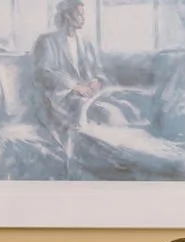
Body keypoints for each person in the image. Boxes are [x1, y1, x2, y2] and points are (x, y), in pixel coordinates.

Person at [32, 0, 140, 144]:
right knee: (108, 113)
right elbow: (44, 72)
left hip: (89, 94)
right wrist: (75, 86)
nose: (83, 18)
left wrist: (96, 81)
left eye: (84, 14)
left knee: (125, 104)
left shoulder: (86, 43)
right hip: (62, 98)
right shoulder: (47, 41)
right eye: (79, 14)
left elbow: (98, 70)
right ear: (67, 15)